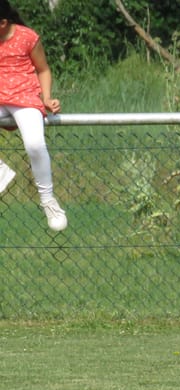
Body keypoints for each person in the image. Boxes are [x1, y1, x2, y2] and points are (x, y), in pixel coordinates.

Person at [0, 0, 66, 231]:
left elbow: (43, 69)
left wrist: (47, 98)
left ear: (3, 23)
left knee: (35, 144)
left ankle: (48, 200)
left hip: (24, 96)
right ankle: (0, 171)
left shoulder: (27, 37)